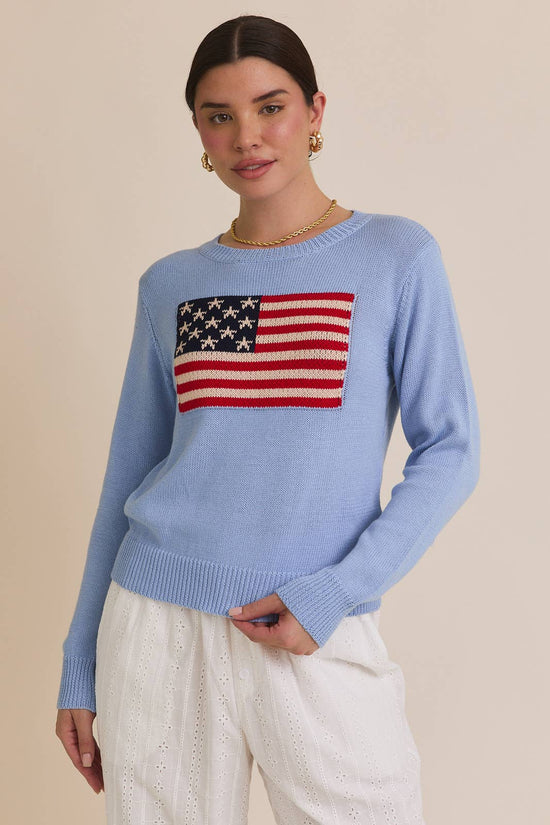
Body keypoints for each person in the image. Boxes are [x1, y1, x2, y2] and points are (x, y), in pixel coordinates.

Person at [55, 13, 480, 825]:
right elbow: (128, 474)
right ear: (198, 131)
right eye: (219, 115)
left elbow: (452, 449)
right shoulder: (171, 284)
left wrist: (338, 591)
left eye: (271, 107)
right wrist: (81, 661)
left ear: (315, 111)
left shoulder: (396, 257)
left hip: (315, 619)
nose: (246, 136)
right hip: (159, 624)